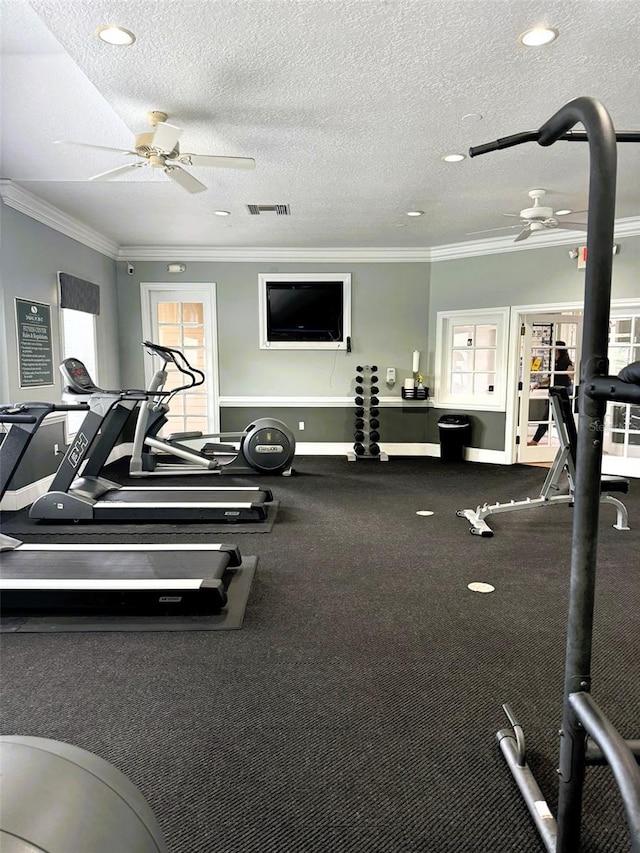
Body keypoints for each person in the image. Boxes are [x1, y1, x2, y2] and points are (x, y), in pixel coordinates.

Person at [527, 342, 574, 445]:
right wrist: (539, 384)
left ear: (558, 350)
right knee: (552, 417)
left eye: (554, 349)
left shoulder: (565, 362)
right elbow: (551, 378)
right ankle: (567, 441)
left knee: (552, 417)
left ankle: (536, 441)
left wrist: (572, 375)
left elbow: (572, 375)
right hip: (556, 392)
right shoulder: (555, 362)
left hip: (563, 392)